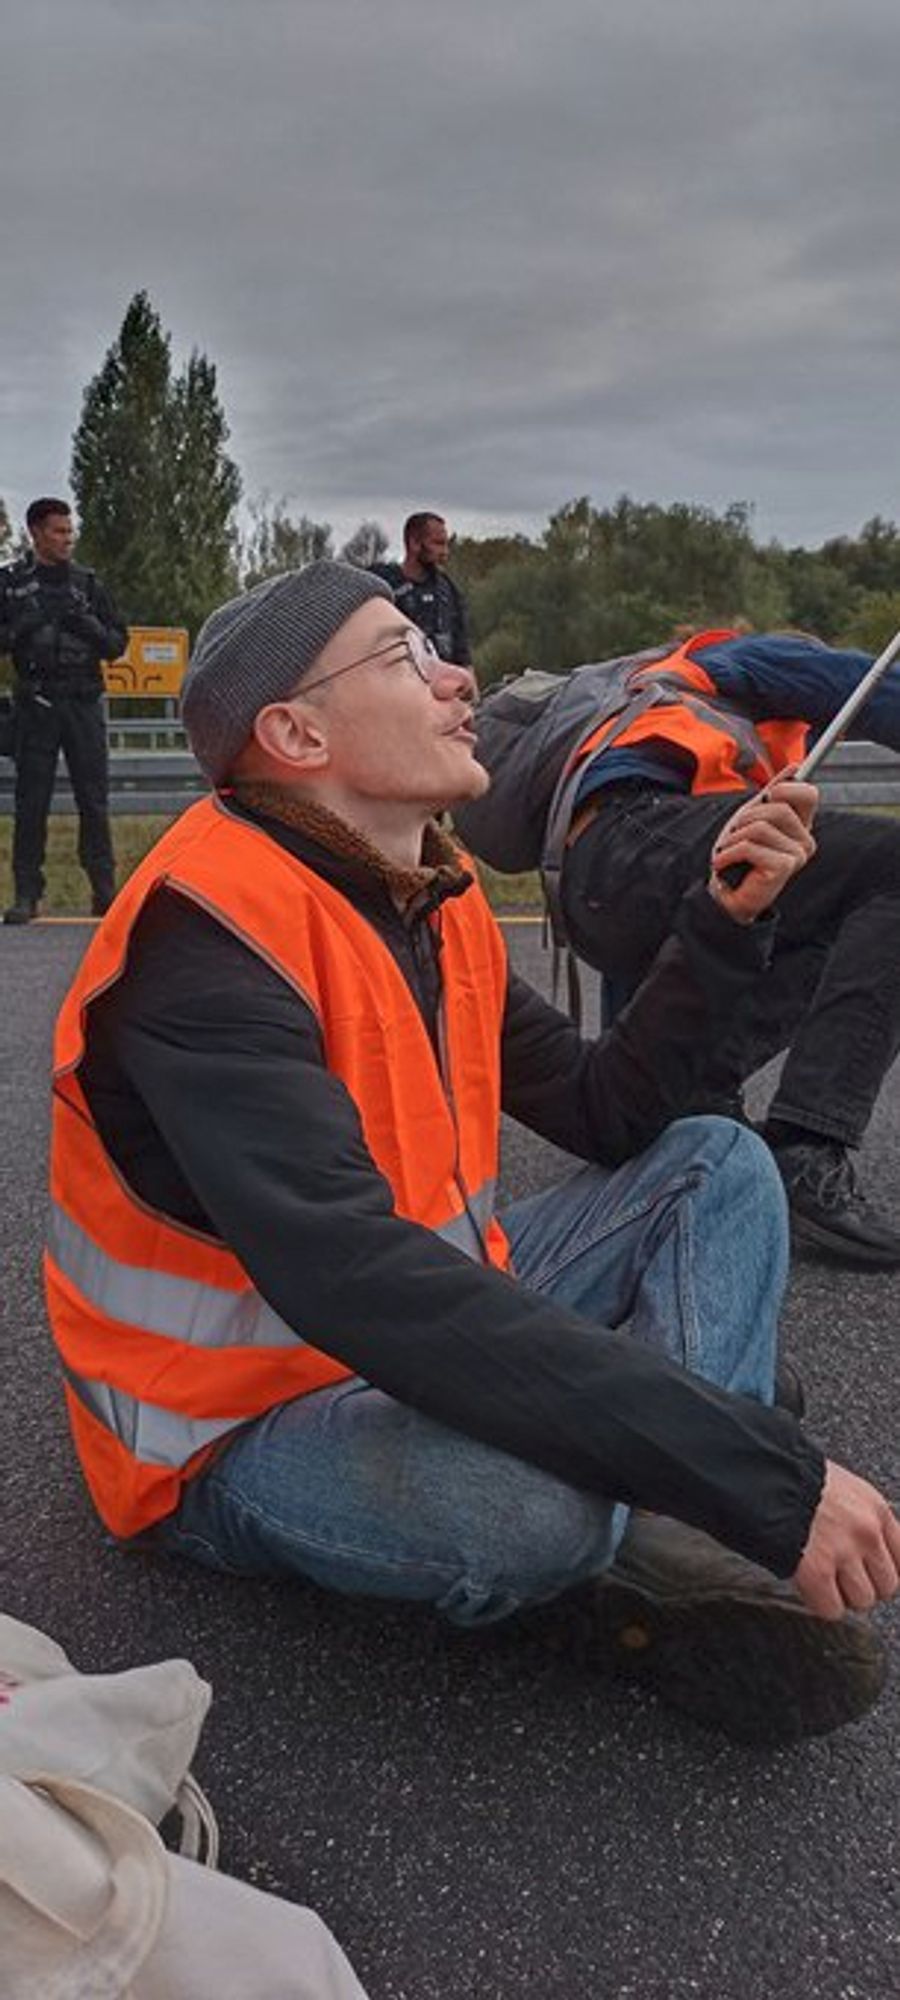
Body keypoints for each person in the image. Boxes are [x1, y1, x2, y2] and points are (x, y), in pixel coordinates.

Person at [46, 564, 900, 1749]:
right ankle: (652, 1491)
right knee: (539, 1505)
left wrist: (722, 920)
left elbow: (611, 1112)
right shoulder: (206, 941)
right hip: (231, 1425)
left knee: (717, 1159)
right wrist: (755, 1468)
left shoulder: (428, 894)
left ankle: (659, 1509)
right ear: (295, 733)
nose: (462, 677)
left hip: (429, 1315)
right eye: (404, 657)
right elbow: (356, 1278)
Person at [457, 625, 900, 1266]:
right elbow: (871, 689)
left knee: (814, 912)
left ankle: (697, 1109)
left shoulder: (647, 712)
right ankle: (809, 1145)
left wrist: (642, 1110)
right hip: (639, 832)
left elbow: (642, 1027)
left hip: (598, 881)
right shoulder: (735, 658)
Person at [0, 496, 126, 924]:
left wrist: (86, 626)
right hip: (36, 704)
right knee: (30, 801)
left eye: (70, 531)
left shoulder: (88, 584)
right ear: (35, 532)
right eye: (58, 531)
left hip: (83, 702)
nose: (67, 538)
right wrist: (24, 626)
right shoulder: (11, 584)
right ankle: (26, 893)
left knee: (94, 799)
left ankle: (104, 888)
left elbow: (117, 644)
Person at [373, 511, 471, 662]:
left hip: (441, 679)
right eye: (438, 543)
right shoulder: (383, 586)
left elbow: (462, 654)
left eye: (446, 544)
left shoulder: (448, 591)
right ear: (414, 543)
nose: (445, 552)